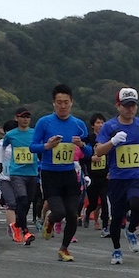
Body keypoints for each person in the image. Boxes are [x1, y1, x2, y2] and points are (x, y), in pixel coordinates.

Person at [30, 84, 92, 262]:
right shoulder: (44, 122)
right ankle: (50, 220)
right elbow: (32, 147)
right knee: (59, 212)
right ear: (53, 103)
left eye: (66, 102)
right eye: (59, 102)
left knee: (72, 213)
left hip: (69, 173)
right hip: (50, 174)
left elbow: (89, 152)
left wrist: (81, 145)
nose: (63, 106)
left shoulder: (78, 125)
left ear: (71, 102)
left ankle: (64, 249)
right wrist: (47, 146)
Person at [95, 87, 139, 265]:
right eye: (126, 105)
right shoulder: (109, 127)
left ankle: (131, 230)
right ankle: (116, 249)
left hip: (136, 176)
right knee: (117, 216)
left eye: (133, 105)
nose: (130, 109)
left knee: (137, 204)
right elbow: (98, 151)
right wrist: (112, 142)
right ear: (118, 106)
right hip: (117, 178)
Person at [1, 107, 37, 245]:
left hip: (32, 172)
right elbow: (2, 147)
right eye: (23, 117)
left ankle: (16, 225)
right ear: (17, 118)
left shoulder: (35, 133)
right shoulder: (10, 134)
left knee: (28, 202)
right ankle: (25, 231)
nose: (26, 119)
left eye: (28, 117)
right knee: (22, 199)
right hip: (17, 172)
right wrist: (1, 163)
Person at [82, 113, 110, 236]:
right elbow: (81, 156)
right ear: (93, 125)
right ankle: (88, 213)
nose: (100, 125)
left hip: (104, 176)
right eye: (98, 123)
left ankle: (105, 227)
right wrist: (91, 159)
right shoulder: (88, 139)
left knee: (104, 201)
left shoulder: (108, 139)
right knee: (93, 203)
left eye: (102, 122)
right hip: (92, 176)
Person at [0, 120, 19, 239]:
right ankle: (13, 228)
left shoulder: (21, 143)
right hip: (4, 177)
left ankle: (13, 224)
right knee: (11, 202)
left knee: (21, 203)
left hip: (19, 176)